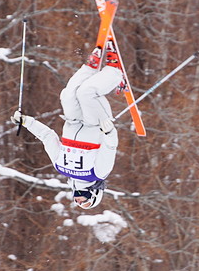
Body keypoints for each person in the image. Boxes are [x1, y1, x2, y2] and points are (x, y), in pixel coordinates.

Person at [12, 48, 124, 209]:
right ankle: (114, 72)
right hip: (96, 124)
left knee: (68, 96)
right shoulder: (98, 173)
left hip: (73, 122)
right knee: (86, 93)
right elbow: (110, 147)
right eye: (85, 202)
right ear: (94, 195)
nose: (79, 200)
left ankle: (90, 68)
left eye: (78, 202)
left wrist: (26, 122)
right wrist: (109, 132)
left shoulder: (61, 167)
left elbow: (47, 137)